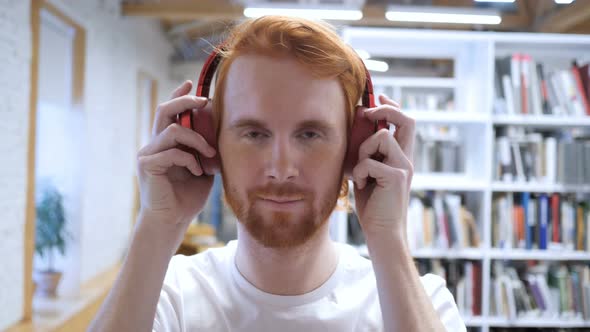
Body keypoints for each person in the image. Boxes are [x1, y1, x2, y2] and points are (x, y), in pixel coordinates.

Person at [89, 15, 466, 332]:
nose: (282, 169)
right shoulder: (166, 296)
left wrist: (388, 238)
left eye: (310, 134)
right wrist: (158, 225)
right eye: (254, 133)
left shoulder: (421, 304)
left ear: (356, 146)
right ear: (207, 140)